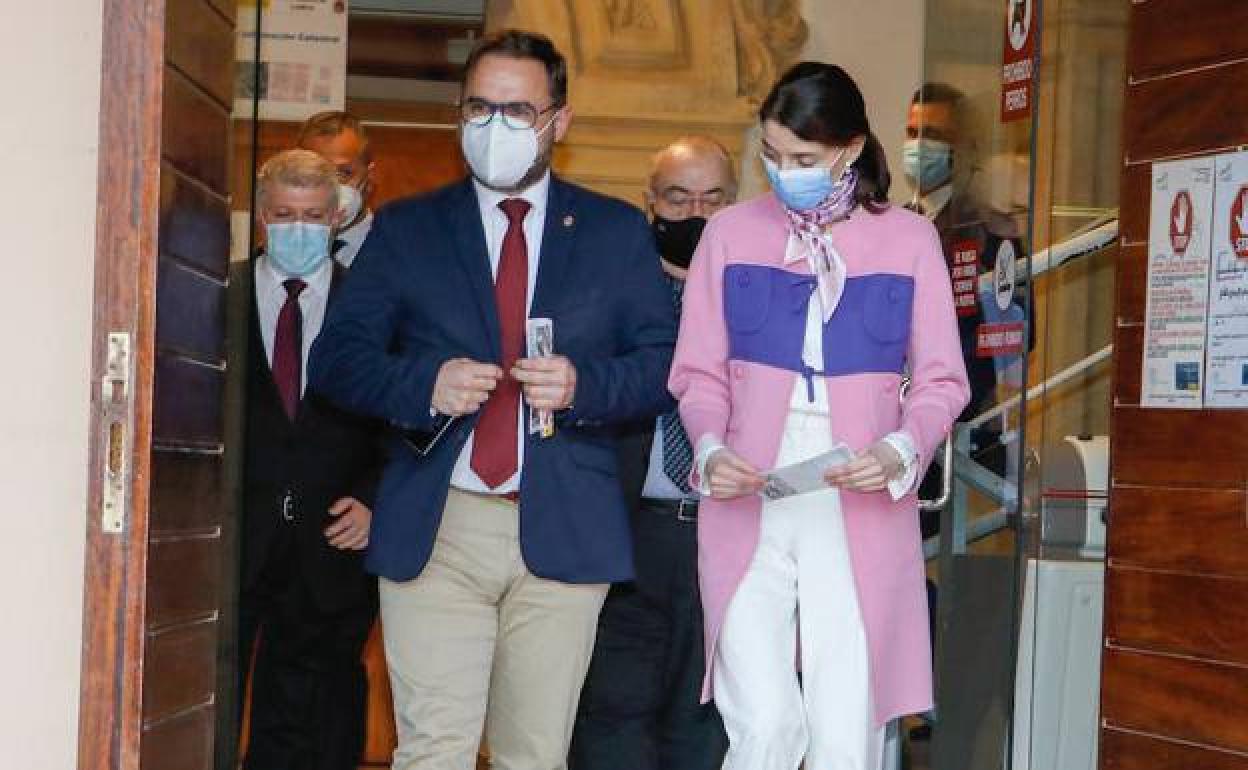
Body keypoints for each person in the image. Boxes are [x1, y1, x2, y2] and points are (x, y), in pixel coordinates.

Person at [307, 29, 677, 770]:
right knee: (432, 750)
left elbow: (665, 365)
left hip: (564, 522)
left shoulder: (612, 232)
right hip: (439, 521)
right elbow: (337, 361)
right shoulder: (410, 229)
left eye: (517, 111)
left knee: (532, 756)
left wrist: (583, 385)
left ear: (559, 121)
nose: (494, 126)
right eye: (479, 108)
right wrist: (423, 385)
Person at [667, 63, 970, 770]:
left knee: (844, 733)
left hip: (859, 494)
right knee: (765, 727)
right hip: (747, 493)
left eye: (803, 158)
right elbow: (697, 373)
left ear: (851, 148)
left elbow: (941, 380)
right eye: (772, 155)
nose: (784, 172)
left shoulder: (909, 240)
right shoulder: (729, 234)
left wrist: (901, 448)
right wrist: (709, 449)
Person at [570, 136, 735, 770]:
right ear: (650, 204)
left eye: (711, 198)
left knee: (706, 719)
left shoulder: (758, 295)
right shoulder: (609, 289)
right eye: (678, 197)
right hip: (628, 529)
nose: (695, 213)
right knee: (611, 714)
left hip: (724, 530)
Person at [237, 149, 382, 770]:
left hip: (334, 540)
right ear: (262, 217)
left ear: (338, 217)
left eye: (314, 216)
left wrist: (376, 498)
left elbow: (403, 416)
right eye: (284, 214)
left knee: (320, 714)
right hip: (232, 540)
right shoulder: (217, 292)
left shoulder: (372, 305)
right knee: (209, 702)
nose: (298, 228)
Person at [297, 110, 376, 268]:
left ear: (370, 176)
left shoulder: (397, 251)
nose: (329, 188)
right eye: (315, 173)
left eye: (343, 173)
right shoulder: (279, 251)